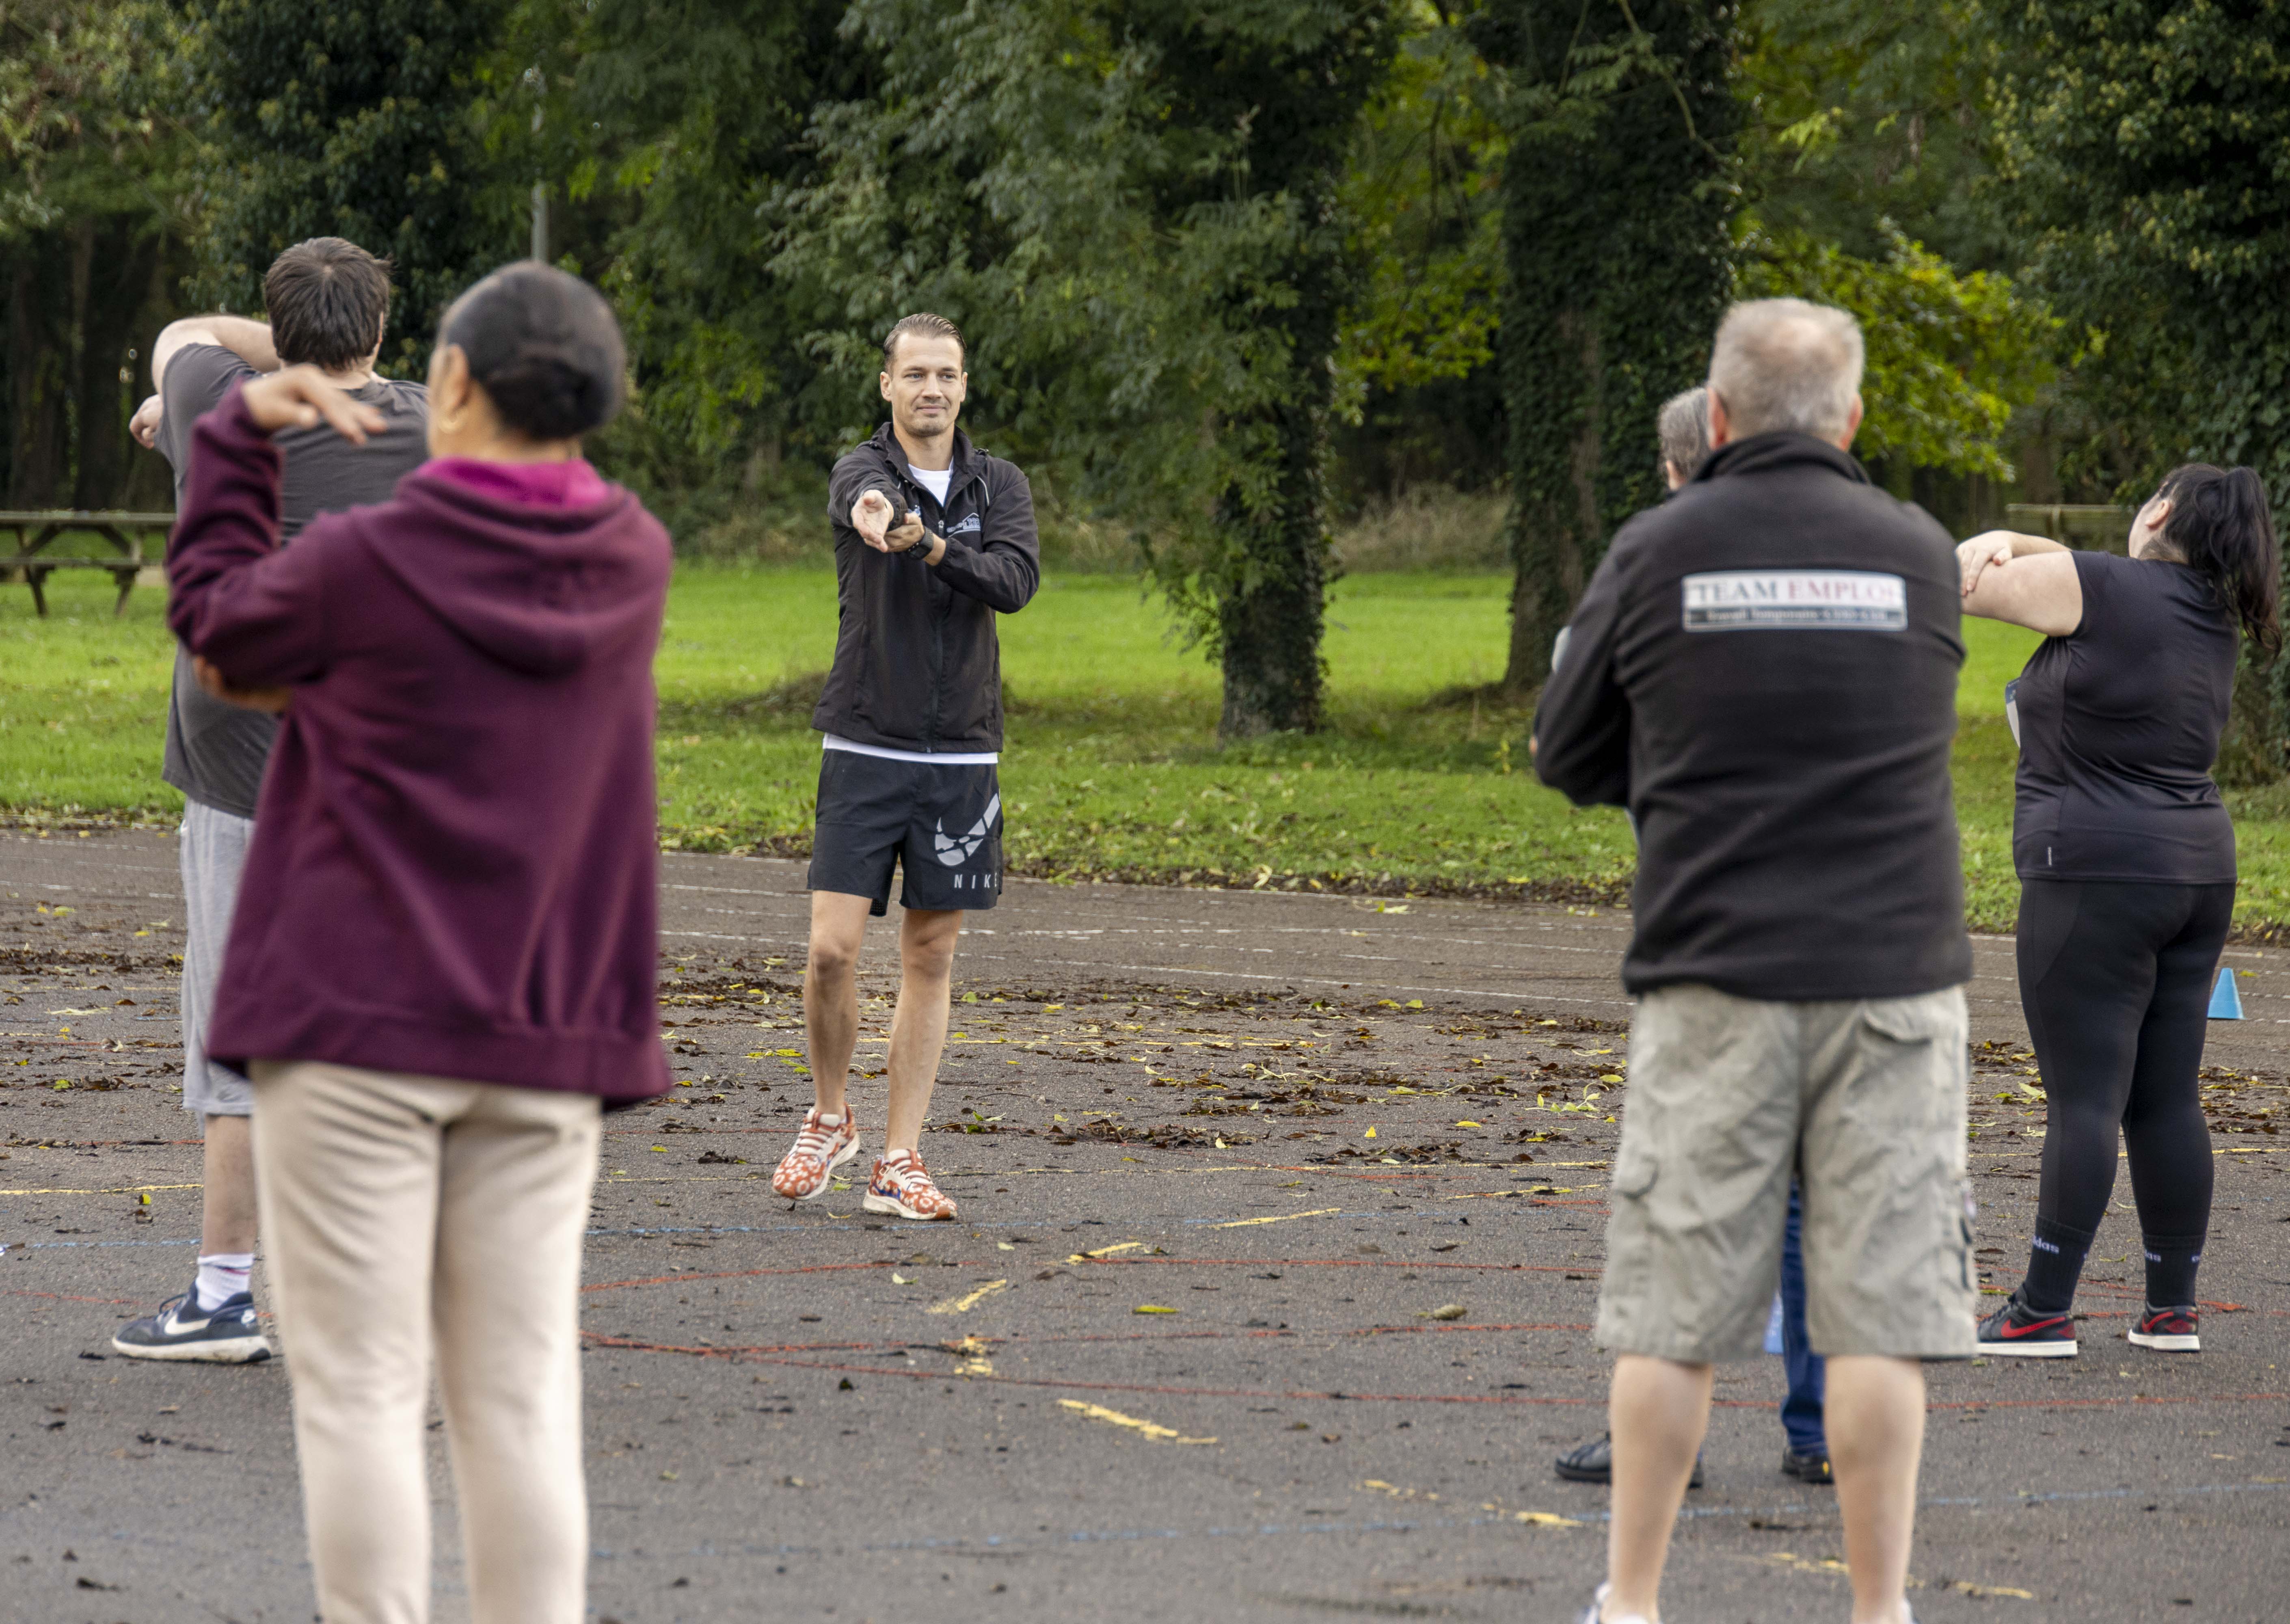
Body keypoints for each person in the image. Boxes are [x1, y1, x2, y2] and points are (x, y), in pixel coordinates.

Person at [166, 260, 668, 1624]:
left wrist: (234, 442)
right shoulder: (633, 556)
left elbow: (220, 638)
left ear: (447, 385)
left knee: (365, 1391)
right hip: (545, 1029)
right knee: (515, 1395)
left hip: (355, 1025)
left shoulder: (370, 560)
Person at [1536, 299, 1975, 1624]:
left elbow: (1567, 747)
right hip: (1895, 972)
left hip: (1714, 969)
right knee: (1878, 1319)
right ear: (1851, 419)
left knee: (1671, 1317)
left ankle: (1633, 1600)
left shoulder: (1661, 545)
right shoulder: (1919, 551)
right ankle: (1878, 1608)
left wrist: (1672, 780)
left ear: (1715, 421)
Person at [113, 237, 430, 1364]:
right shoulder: (433, 428)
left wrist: (179, 400)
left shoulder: (218, 401)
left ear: (278, 332)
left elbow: (180, 345)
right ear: (383, 334)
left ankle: (224, 1294)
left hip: (248, 771)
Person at [1552, 385, 1832, 1491]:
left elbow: (1573, 731)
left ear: (1682, 466)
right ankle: (1818, 1431)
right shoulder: (1863, 566)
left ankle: (1660, 1437)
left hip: (1715, 930)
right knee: (1815, 1193)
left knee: (1690, 1193)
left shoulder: (1658, 572)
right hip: (1850, 927)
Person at [1959, 467, 2278, 1358]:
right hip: (2198, 873)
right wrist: (2020, 543)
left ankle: (2042, 1307)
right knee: (2167, 1097)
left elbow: (1963, 583)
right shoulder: (2212, 609)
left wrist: (1993, 543)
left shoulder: (2103, 583)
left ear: (2161, 512)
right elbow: (2059, 571)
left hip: (2093, 869)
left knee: (2085, 1098)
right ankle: (2170, 1308)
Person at [769, 312, 1039, 1222]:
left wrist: (927, 543)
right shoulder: (863, 470)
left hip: (962, 745)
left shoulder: (998, 483)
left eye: (947, 375)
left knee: (931, 952)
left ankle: (898, 1156)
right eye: (915, 374)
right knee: (830, 949)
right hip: (865, 737)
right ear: (886, 385)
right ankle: (829, 1113)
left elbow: (1013, 582)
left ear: (965, 387)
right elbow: (859, 501)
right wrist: (879, 518)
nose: (931, 389)